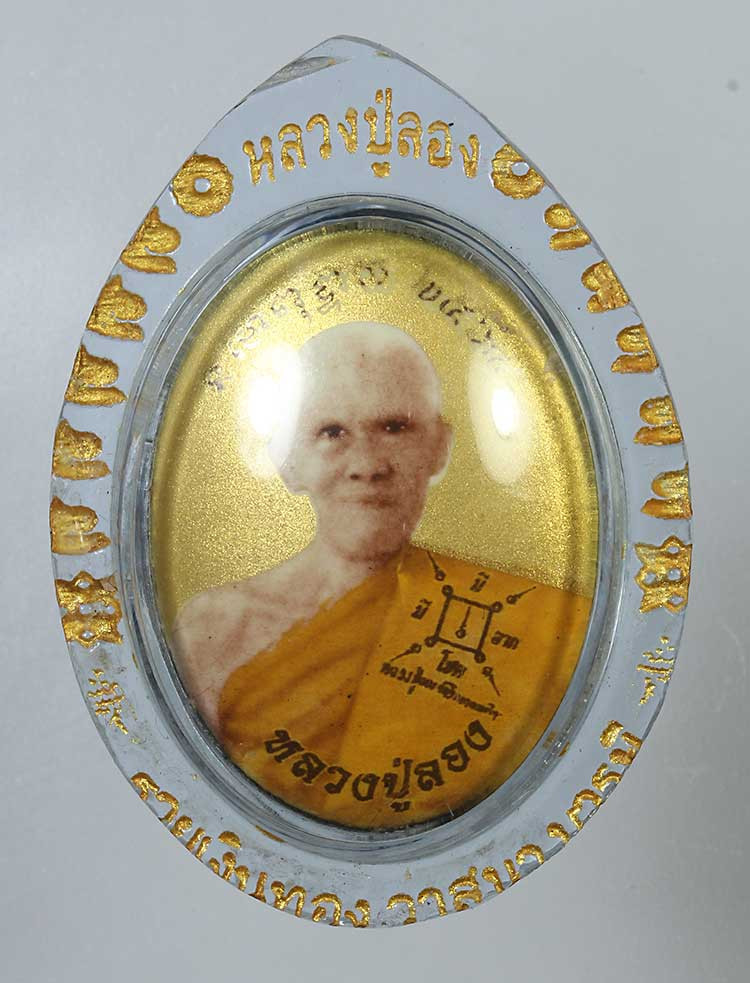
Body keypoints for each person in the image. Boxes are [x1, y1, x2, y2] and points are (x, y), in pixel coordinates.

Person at [171, 322, 591, 829]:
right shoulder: (216, 631)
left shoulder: (544, 627)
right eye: (332, 433)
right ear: (288, 459)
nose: (367, 465)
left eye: (395, 427)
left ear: (439, 448)